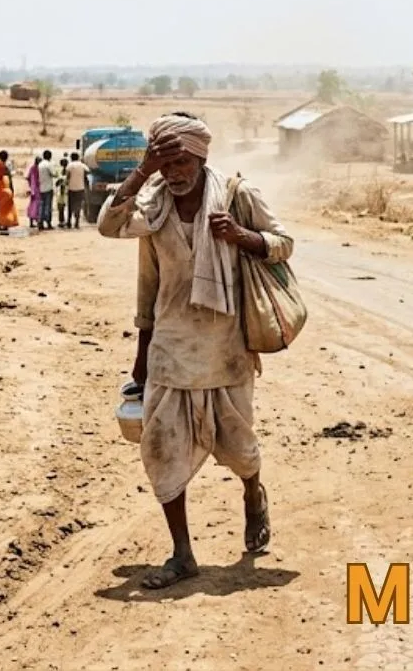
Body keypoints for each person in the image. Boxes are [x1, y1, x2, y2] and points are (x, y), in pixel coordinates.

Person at [98, 112, 293, 590]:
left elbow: (283, 243)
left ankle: (253, 493)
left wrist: (242, 237)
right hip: (170, 347)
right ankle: (182, 553)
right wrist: (141, 172)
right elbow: (111, 230)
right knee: (161, 449)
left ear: (201, 156)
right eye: (164, 162)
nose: (174, 171)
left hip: (226, 347)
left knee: (240, 448)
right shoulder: (155, 205)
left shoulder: (236, 195)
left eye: (181, 160)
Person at [0, 150, 19, 234]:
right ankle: (4, 224)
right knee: (6, 208)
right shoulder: (4, 167)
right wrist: (11, 190)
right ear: (6, 157)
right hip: (4, 189)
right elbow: (8, 180)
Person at [66, 152, 89, 229]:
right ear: (78, 157)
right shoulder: (82, 165)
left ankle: (69, 222)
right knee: (78, 206)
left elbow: (67, 176)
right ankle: (77, 223)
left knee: (70, 206)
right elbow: (88, 171)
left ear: (71, 158)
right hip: (80, 188)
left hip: (71, 188)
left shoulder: (70, 165)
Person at [25, 151, 45, 230]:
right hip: (37, 189)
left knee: (33, 205)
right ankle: (36, 221)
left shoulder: (32, 168)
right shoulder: (36, 169)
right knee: (36, 205)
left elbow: (27, 177)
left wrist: (30, 186)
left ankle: (32, 221)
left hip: (34, 188)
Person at [37, 150, 55, 229]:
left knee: (41, 206)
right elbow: (53, 174)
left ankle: (40, 222)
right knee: (48, 206)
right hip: (48, 188)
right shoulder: (48, 164)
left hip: (40, 188)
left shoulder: (40, 165)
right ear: (50, 156)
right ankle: (48, 223)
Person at [55, 157, 70, 228]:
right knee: (65, 207)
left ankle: (61, 221)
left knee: (60, 208)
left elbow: (57, 183)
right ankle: (66, 221)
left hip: (61, 192)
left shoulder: (59, 171)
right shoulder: (68, 171)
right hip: (66, 191)